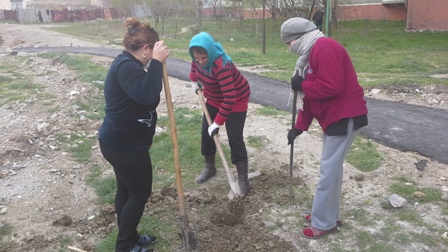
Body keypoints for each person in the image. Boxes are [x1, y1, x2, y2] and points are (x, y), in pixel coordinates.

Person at [280, 17, 368, 239]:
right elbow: (310, 98)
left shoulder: (324, 47)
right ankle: (329, 215)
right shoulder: (310, 55)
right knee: (332, 170)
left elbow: (331, 86)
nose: (289, 48)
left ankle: (323, 223)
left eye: (288, 43)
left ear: (297, 38)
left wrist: (303, 85)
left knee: (328, 172)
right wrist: (299, 127)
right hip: (335, 117)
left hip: (344, 115)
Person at [97, 17, 169, 252]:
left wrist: (154, 65)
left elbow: (143, 93)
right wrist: (157, 63)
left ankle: (130, 236)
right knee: (139, 193)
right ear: (146, 49)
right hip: (124, 145)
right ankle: (125, 245)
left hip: (120, 141)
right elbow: (146, 95)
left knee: (126, 190)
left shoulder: (127, 63)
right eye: (153, 50)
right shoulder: (128, 66)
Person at [188, 31, 251, 195]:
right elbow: (194, 68)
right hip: (215, 97)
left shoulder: (221, 65)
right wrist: (194, 81)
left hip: (236, 99)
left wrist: (217, 122)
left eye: (204, 58)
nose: (201, 61)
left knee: (235, 137)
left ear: (210, 52)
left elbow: (230, 97)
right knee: (206, 132)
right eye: (197, 58)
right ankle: (210, 167)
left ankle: (243, 177)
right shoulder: (197, 59)